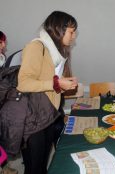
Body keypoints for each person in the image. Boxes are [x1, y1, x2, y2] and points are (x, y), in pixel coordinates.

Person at [17, 11, 78, 174]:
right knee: (34, 168)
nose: (73, 37)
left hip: (48, 115)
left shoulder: (58, 53)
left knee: (42, 165)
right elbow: (23, 83)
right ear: (59, 29)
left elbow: (47, 82)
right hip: (33, 119)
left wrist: (63, 84)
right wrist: (57, 83)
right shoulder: (36, 47)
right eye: (72, 32)